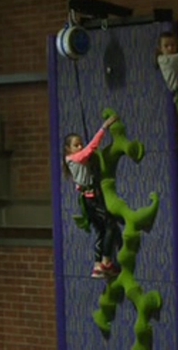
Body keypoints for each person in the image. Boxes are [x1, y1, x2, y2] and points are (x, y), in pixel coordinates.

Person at [61, 115, 122, 279]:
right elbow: (91, 148)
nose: (80, 146)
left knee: (101, 231)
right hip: (91, 199)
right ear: (68, 149)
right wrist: (104, 127)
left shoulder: (72, 160)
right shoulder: (75, 158)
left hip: (88, 199)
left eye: (81, 143)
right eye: (76, 145)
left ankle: (97, 266)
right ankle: (106, 262)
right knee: (110, 225)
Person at [156, 30, 178, 134]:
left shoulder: (173, 60)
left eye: (173, 45)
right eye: (166, 46)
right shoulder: (167, 60)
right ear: (160, 49)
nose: (170, 48)